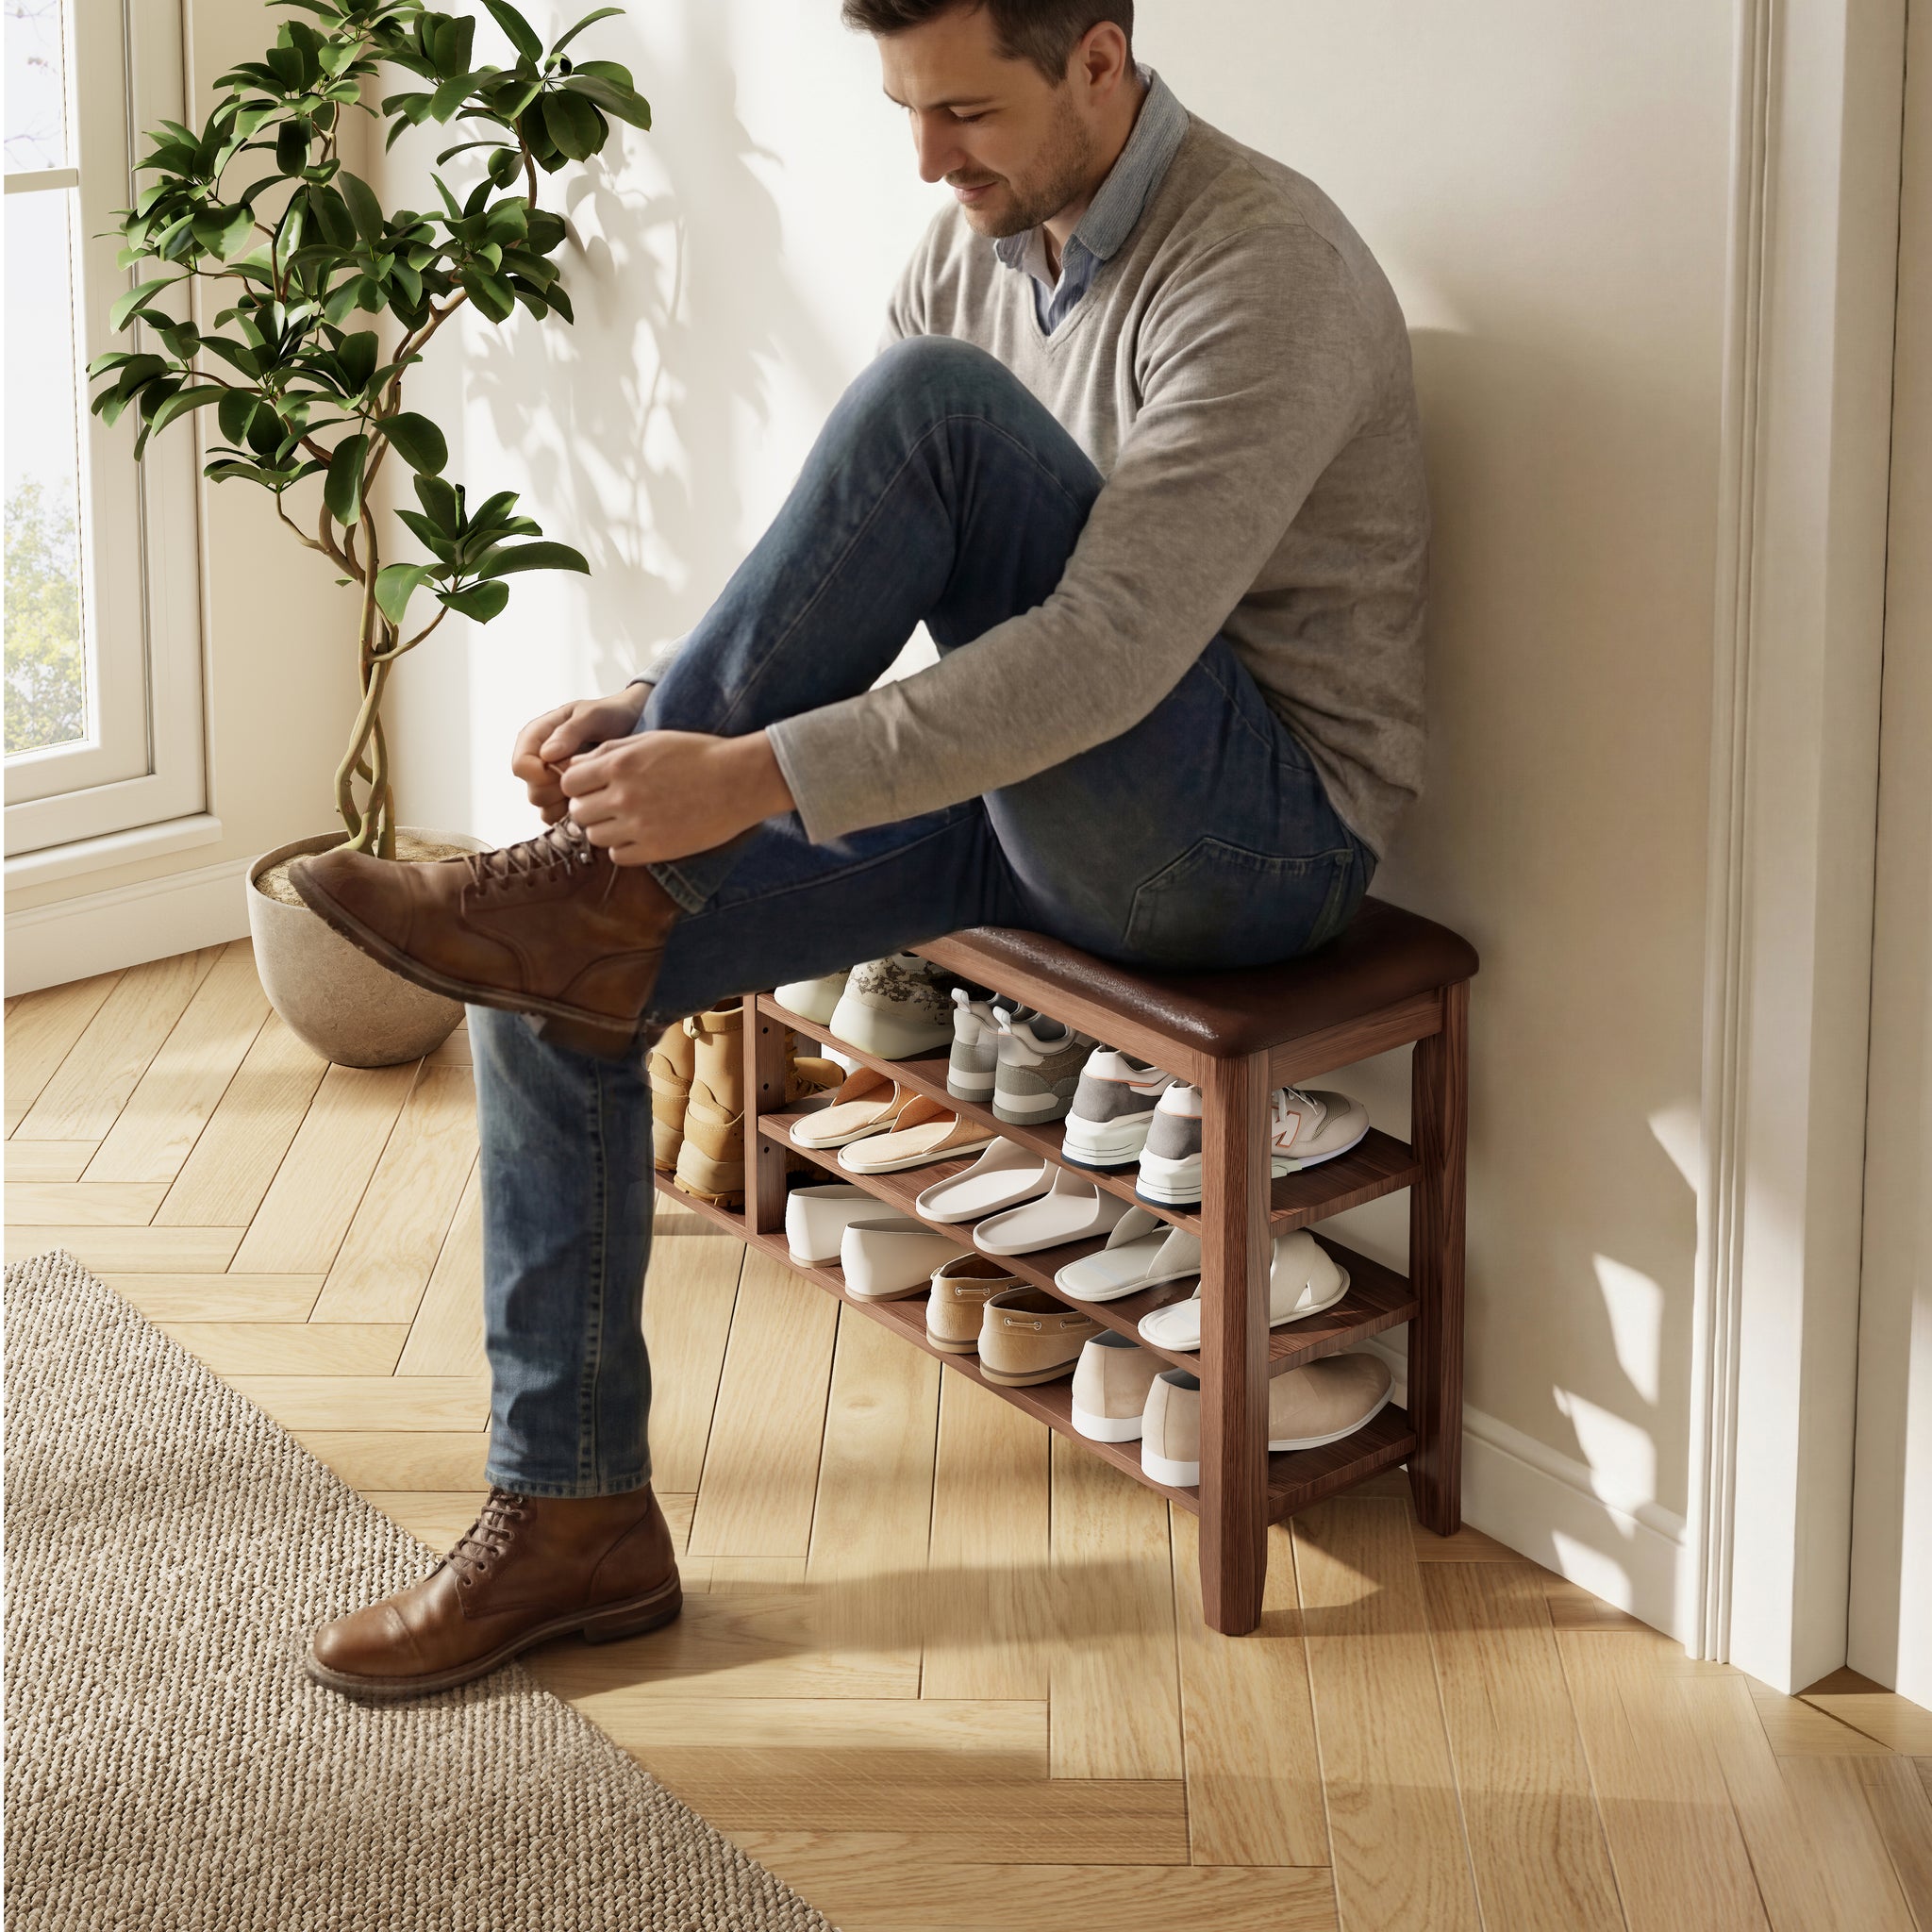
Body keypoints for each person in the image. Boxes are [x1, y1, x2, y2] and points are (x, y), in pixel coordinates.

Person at [293, 0, 1428, 1698]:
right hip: (1027, 796)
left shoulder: (1268, 267)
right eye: (906, 109)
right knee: (546, 990)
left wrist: (742, 774)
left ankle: (594, 893)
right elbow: (840, 574)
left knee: (930, 412)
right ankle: (573, 1521)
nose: (925, 157)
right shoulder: (972, 242)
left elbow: (1110, 651)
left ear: (1101, 64)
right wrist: (648, 710)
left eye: (965, 110)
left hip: (1252, 845)